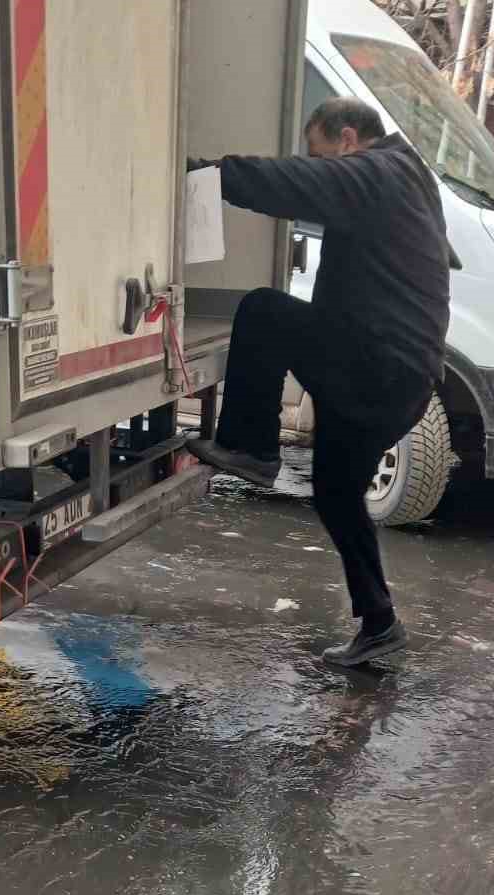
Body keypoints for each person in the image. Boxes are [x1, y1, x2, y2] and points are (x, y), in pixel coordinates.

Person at [188, 97, 451, 666]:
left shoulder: (380, 173)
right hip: (397, 376)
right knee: (336, 492)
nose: (319, 163)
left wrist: (215, 174)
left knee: (263, 310)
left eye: (322, 152)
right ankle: (380, 626)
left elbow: (298, 183)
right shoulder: (410, 181)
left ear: (349, 140)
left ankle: (252, 449)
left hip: (376, 367)